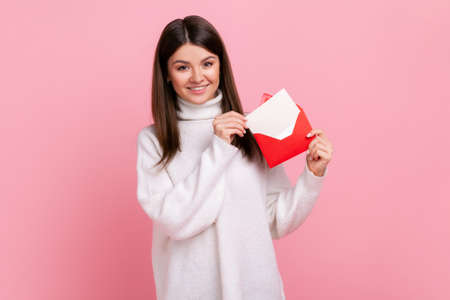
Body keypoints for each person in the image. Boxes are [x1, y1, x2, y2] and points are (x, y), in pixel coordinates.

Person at [136, 15, 333, 300]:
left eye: (207, 63)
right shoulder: (154, 141)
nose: (197, 77)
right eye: (182, 67)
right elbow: (176, 222)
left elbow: (276, 221)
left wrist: (312, 176)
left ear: (221, 66)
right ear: (166, 73)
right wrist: (218, 149)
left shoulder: (253, 128)